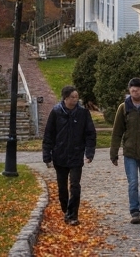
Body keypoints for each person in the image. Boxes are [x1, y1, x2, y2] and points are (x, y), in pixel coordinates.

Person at [42, 85, 97, 226]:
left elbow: (90, 134)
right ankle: (66, 209)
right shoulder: (56, 112)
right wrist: (47, 155)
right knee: (62, 188)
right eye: (73, 97)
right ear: (65, 98)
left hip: (76, 155)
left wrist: (89, 152)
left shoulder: (83, 113)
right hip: (59, 156)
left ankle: (73, 215)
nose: (75, 99)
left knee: (75, 186)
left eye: (77, 97)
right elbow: (49, 135)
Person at [109, 77, 140, 225]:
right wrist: (114, 153)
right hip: (130, 152)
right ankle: (134, 211)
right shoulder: (124, 108)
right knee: (133, 183)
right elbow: (117, 132)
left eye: (137, 90)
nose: (134, 92)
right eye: (132, 90)